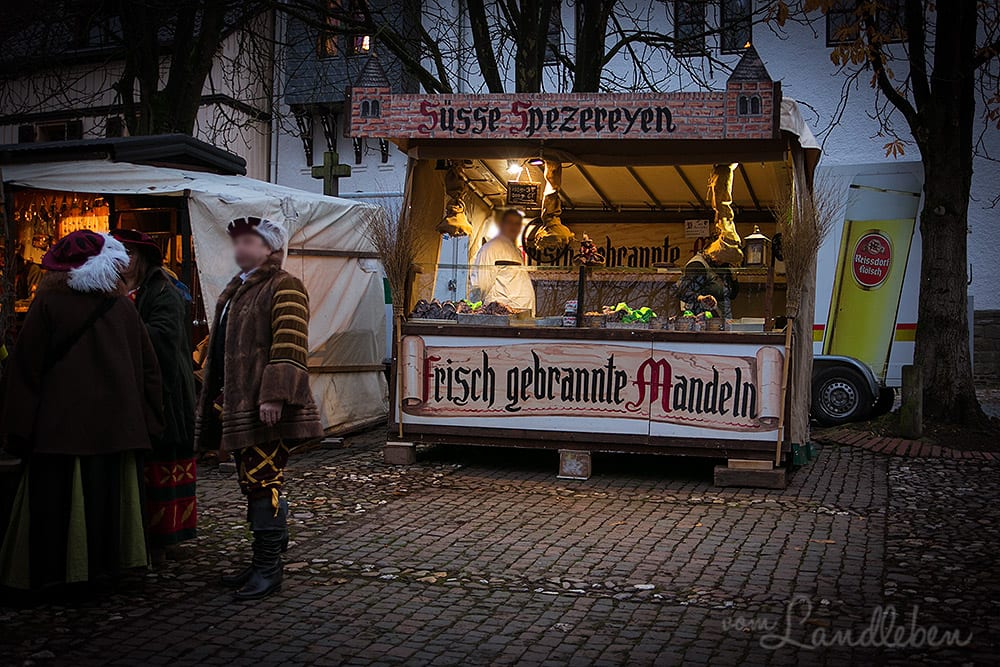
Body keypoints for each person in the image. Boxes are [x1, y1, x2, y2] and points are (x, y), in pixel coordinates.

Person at [0, 230, 163, 592]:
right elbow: (149, 369)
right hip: (117, 430)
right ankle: (109, 570)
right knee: (108, 500)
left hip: (59, 431)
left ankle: (60, 573)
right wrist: (149, 422)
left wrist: (18, 429)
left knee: (59, 502)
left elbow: (25, 369)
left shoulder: (47, 304)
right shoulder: (123, 307)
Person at [195, 216, 323, 602]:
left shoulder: (285, 286)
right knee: (253, 483)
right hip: (239, 405)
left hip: (266, 407)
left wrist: (274, 394)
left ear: (270, 248)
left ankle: (269, 570)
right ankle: (260, 563)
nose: (240, 249)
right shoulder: (238, 290)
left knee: (264, 483)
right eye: (238, 242)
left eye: (249, 242)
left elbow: (290, 342)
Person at [112, 229, 197, 561]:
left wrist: (121, 324)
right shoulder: (120, 290)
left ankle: (164, 537)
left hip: (167, 391)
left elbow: (163, 338)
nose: (124, 261)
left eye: (129, 254)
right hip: (135, 392)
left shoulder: (163, 291)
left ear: (142, 259)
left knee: (163, 462)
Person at [469, 209, 536, 314]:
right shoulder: (490, 248)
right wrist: (473, 308)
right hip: (505, 312)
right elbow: (481, 284)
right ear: (502, 225)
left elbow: (481, 284)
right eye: (510, 223)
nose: (514, 227)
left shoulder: (515, 250)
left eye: (517, 224)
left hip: (517, 311)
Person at [675, 239, 740, 320]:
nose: (722, 261)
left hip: (722, 320)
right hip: (702, 320)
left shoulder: (722, 265)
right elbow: (682, 290)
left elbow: (731, 295)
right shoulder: (698, 265)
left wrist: (734, 278)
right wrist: (701, 298)